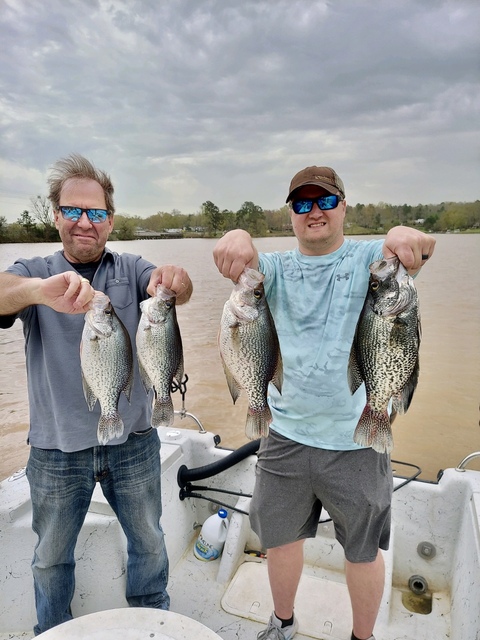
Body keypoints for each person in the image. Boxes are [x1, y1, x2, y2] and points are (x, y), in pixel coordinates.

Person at [213, 166, 435, 640]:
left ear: (344, 207)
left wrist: (404, 235)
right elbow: (246, 260)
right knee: (280, 539)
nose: (314, 211)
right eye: (303, 204)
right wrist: (236, 235)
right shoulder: (270, 271)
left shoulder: (373, 262)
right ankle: (283, 622)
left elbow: (419, 247)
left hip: (358, 440)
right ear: (291, 214)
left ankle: (362, 637)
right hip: (284, 437)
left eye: (326, 202)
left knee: (364, 549)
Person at [0, 154, 193, 636]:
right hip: (57, 448)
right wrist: (37, 291)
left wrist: (175, 281)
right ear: (56, 215)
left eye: (97, 213)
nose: (85, 222)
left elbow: (173, 289)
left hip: (133, 441)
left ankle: (153, 622)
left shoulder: (130, 268)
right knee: (50, 558)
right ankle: (54, 631)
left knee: (149, 543)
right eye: (73, 211)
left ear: (111, 220)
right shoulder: (34, 269)